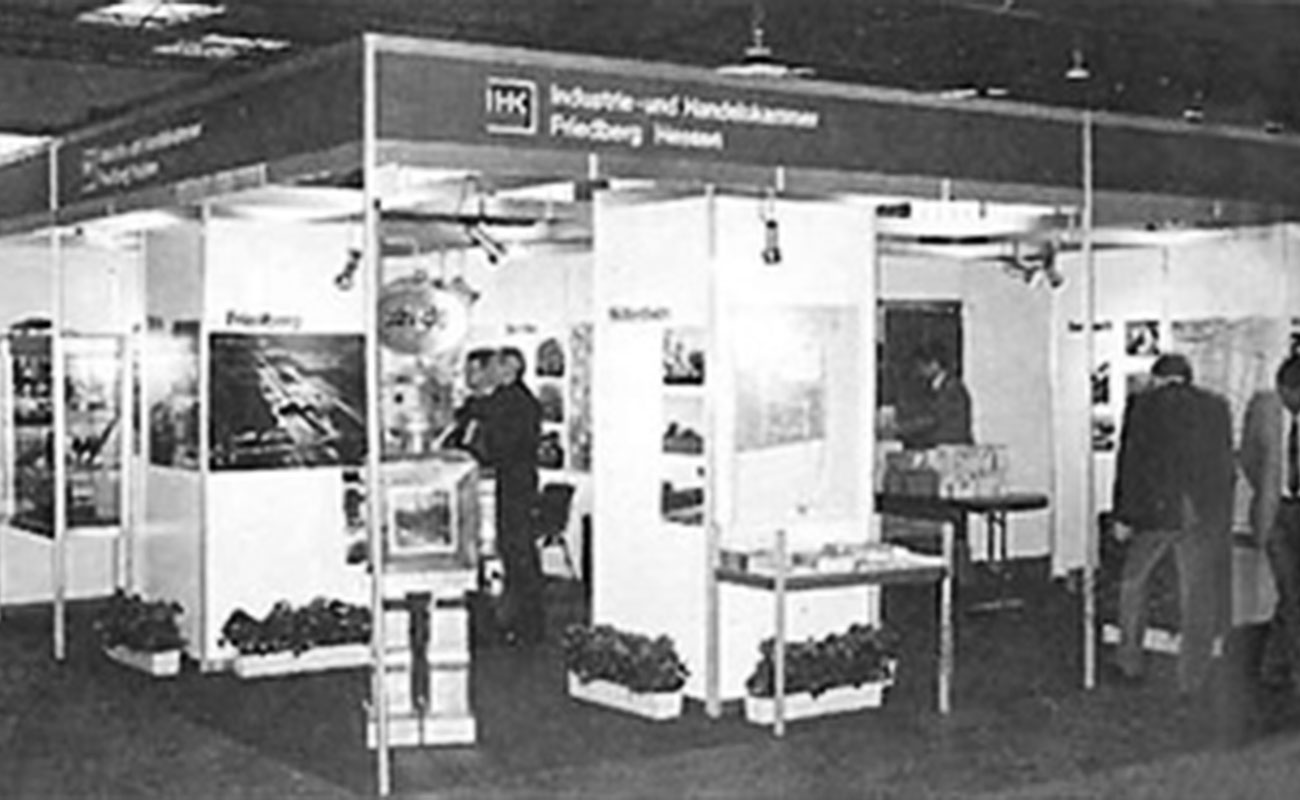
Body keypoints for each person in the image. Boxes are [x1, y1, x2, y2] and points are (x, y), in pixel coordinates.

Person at [1110, 353, 1235, 696]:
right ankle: (1192, 678)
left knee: (1133, 583)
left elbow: (1130, 463)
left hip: (1155, 513)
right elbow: (1224, 467)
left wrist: (1122, 516)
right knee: (1196, 594)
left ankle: (1129, 662)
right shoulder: (1216, 407)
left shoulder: (1142, 406)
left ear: (1158, 378)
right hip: (1199, 513)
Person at [1240, 354, 1300, 695]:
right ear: (1283, 388)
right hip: (1276, 513)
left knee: (1293, 595)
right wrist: (1266, 490)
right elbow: (1249, 456)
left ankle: (1273, 666)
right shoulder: (1263, 407)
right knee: (1292, 592)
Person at [481, 347, 545, 645]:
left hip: (515, 484)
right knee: (518, 552)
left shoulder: (511, 402)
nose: (490, 371)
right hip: (520, 482)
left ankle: (526, 625)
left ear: (510, 369)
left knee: (517, 553)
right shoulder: (521, 399)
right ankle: (523, 621)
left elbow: (500, 445)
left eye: (496, 365)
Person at [894, 342, 973, 450]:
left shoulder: (952, 389)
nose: (919, 371)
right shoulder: (936, 387)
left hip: (950, 447)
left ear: (934, 364)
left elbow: (933, 419)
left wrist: (902, 428)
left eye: (922, 366)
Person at [440, 348, 496, 461]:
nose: (467, 375)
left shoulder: (497, 406)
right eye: (467, 370)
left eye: (473, 370)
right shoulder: (470, 404)